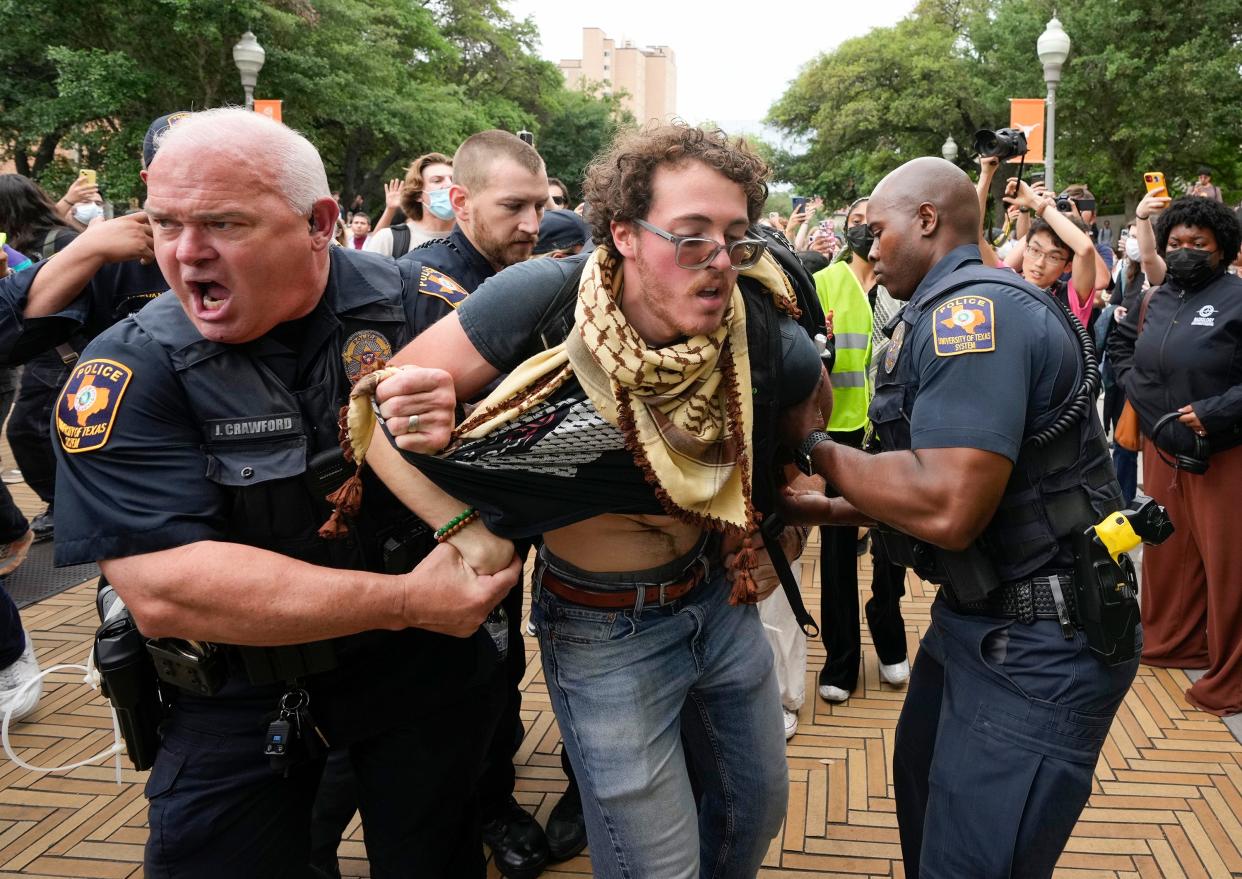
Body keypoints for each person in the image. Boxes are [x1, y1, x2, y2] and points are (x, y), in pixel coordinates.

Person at [49, 107, 520, 877]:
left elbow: (541, 469)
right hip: (236, 694)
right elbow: (165, 588)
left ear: (319, 223)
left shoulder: (428, 311)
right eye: (164, 222)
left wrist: (465, 436)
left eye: (224, 223)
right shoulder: (126, 370)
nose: (185, 252)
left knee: (434, 857)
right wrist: (406, 599)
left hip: (421, 682)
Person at [368, 122, 823, 878]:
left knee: (755, 812)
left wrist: (782, 525)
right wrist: (460, 523)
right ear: (624, 234)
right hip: (605, 630)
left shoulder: (755, 330)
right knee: (657, 865)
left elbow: (796, 421)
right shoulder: (540, 300)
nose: (718, 262)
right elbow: (375, 417)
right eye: (690, 236)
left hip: (717, 603)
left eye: (735, 237)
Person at [781, 157, 1135, 877]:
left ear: (928, 220)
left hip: (1039, 644)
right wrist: (823, 507)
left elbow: (946, 503)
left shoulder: (972, 314)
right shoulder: (952, 306)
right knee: (925, 808)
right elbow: (948, 480)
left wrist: (811, 444)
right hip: (981, 618)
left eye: (876, 229)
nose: (868, 245)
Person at [395, 129, 552, 879]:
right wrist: (456, 528)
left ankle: (495, 797)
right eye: (514, 206)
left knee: (497, 670)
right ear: (457, 202)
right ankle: (469, 809)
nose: (532, 223)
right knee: (446, 690)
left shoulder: (535, 278)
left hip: (504, 527)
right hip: (434, 535)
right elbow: (373, 428)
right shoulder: (417, 290)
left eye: (542, 205)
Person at [1107, 196, 1242, 717]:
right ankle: (1175, 641)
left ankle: (1231, 675)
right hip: (1164, 453)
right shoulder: (1153, 297)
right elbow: (1120, 346)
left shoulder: (1237, 297)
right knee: (1169, 553)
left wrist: (1218, 410)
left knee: (1228, 565)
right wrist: (1133, 390)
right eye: (1177, 243)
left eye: (1198, 244)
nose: (1185, 252)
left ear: (1223, 248)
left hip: (1225, 455)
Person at [811, 197, 908, 705]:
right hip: (841, 431)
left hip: (893, 432)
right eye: (856, 220)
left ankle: (890, 632)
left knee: (893, 544)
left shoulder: (909, 283)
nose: (863, 229)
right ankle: (841, 658)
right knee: (837, 548)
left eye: (874, 222)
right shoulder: (823, 283)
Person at [365, 152, 455, 258]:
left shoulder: (475, 241)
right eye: (437, 181)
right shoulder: (388, 240)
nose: (449, 185)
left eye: (454, 179)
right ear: (418, 195)